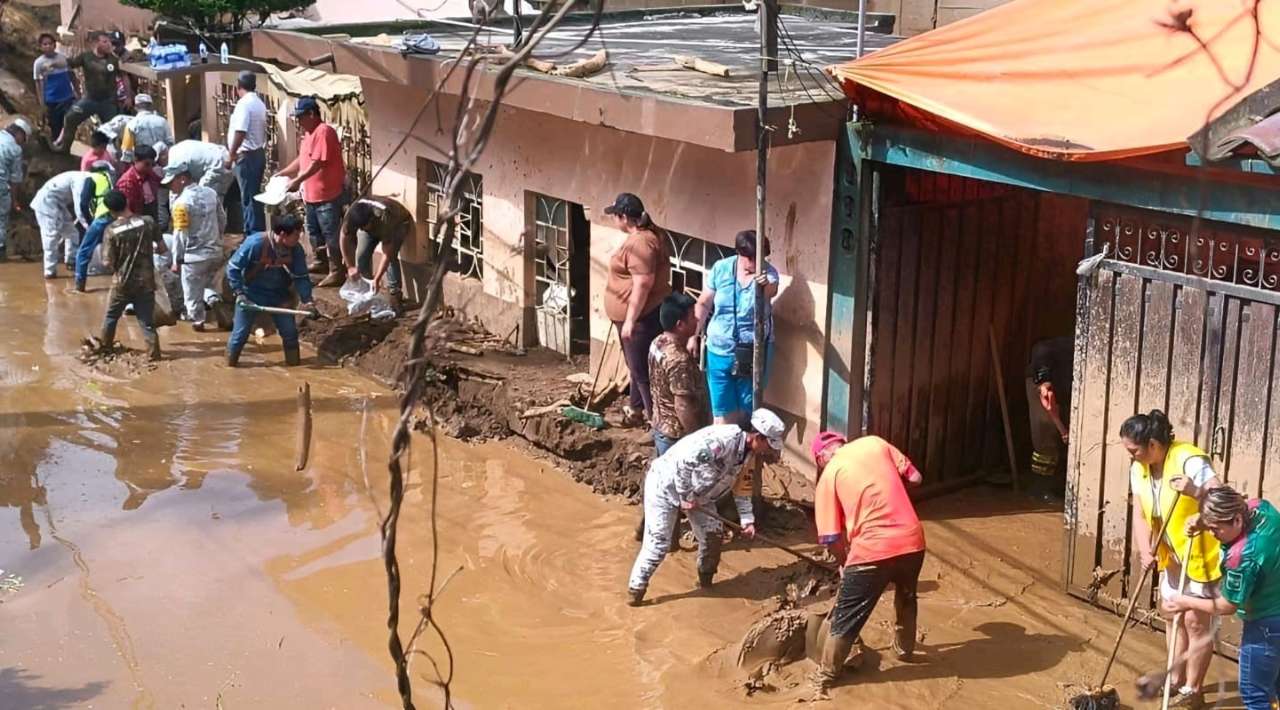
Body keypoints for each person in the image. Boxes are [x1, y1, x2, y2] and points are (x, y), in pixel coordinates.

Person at [626, 408, 784, 607]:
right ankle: (636, 591)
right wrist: (685, 496)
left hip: (700, 495)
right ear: (758, 437)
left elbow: (742, 489)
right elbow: (684, 464)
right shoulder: (721, 441)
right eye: (769, 445)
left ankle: (706, 584)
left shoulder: (748, 456)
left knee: (713, 536)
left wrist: (747, 520)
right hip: (665, 485)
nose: (770, 451)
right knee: (658, 545)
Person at [808, 432, 926, 698]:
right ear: (842, 443)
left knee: (846, 616)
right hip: (912, 540)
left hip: (871, 550)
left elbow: (831, 537)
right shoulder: (874, 443)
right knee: (906, 596)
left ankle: (825, 676)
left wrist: (844, 564)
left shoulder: (829, 476)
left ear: (821, 458)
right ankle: (905, 651)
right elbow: (916, 478)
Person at [1122, 409, 1221, 709]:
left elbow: (1221, 499)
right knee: (1172, 615)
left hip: (1202, 551)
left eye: (1134, 450)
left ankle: (1193, 691)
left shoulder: (1189, 460)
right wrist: (1145, 549)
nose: (1131, 456)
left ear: (1153, 444)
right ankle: (1174, 679)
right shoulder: (1139, 468)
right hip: (1172, 554)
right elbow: (1140, 513)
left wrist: (1194, 490)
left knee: (1195, 622)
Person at [1166, 487, 1280, 710]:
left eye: (1216, 528)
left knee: (1254, 694)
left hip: (1267, 623)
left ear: (1237, 520)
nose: (1212, 534)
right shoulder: (1261, 508)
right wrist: (1203, 521)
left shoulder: (1242, 558)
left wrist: (1185, 601)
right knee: (1274, 683)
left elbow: (1226, 605)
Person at [692, 229, 779, 425]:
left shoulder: (768, 274)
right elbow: (704, 303)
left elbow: (772, 290)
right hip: (719, 349)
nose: (756, 263)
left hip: (751, 351)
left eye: (761, 258)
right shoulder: (721, 268)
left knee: (746, 410)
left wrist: (764, 285)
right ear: (740, 253)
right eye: (751, 258)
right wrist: (693, 334)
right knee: (722, 412)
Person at [603, 192, 672, 427]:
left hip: (642, 318)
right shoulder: (644, 237)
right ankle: (635, 410)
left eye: (615, 215)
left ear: (624, 217)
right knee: (636, 368)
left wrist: (630, 320)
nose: (614, 220)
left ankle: (657, 426)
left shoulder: (640, 243)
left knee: (642, 373)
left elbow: (643, 283)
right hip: (639, 316)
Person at [225, 214, 320, 367]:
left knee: (290, 333)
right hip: (250, 294)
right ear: (282, 234)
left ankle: (294, 365)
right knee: (239, 336)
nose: (298, 239)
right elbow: (233, 268)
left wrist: (308, 301)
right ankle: (230, 364)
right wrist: (240, 293)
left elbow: (301, 277)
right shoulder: (255, 243)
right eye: (296, 235)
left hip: (280, 296)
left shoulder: (296, 250)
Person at [275, 96, 346, 280]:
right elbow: (303, 159)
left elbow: (318, 163)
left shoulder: (324, 132)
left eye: (301, 117)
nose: (298, 122)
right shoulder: (308, 134)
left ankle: (337, 270)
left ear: (312, 114)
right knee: (314, 233)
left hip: (327, 195)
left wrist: (297, 180)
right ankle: (320, 262)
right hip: (311, 195)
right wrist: (285, 172)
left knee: (330, 234)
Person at [97, 190, 165, 360]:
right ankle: (154, 354)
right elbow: (162, 248)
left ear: (110, 211)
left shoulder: (111, 231)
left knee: (111, 317)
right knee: (146, 322)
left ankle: (105, 350)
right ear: (126, 202)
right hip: (146, 282)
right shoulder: (148, 222)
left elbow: (107, 262)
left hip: (122, 283)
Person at [648, 292, 709, 456]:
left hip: (660, 425)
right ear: (680, 325)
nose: (697, 319)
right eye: (692, 316)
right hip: (676, 437)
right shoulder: (679, 360)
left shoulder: (658, 342)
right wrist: (697, 439)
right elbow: (682, 406)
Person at [164, 167, 223, 331]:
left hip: (194, 256)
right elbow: (222, 218)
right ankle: (214, 300)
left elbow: (180, 233)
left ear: (182, 179)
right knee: (208, 283)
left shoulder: (181, 203)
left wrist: (177, 259)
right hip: (215, 252)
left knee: (192, 292)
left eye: (171, 183)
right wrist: (218, 240)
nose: (170, 187)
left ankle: (198, 321)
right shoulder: (211, 193)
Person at [54, 31, 129, 152]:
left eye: (109, 42)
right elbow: (70, 64)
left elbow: (124, 77)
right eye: (105, 42)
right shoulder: (86, 57)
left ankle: (118, 156)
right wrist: (54, 62)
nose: (109, 44)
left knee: (114, 130)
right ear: (95, 43)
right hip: (89, 100)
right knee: (70, 118)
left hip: (108, 102)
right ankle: (65, 148)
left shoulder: (114, 60)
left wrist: (129, 96)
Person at [1025, 336, 1073, 501]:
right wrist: (1063, 431)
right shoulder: (1056, 349)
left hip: (1061, 389)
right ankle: (1040, 488)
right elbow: (1050, 408)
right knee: (1045, 435)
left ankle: (1056, 486)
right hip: (1044, 386)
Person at [339, 196, 410, 301]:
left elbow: (387, 253)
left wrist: (377, 279)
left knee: (392, 258)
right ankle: (366, 291)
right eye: (360, 227)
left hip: (398, 223)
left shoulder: (385, 217)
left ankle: (395, 293)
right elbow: (343, 236)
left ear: (371, 219)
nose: (362, 229)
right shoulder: (352, 214)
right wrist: (350, 267)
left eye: (364, 226)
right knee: (361, 256)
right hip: (373, 224)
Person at [158, 139, 234, 231]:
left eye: (158, 162)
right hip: (223, 159)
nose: (159, 166)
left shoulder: (174, 160)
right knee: (210, 202)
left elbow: (175, 193)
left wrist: (175, 215)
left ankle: (209, 233)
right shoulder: (176, 149)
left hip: (216, 166)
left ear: (163, 155)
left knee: (203, 201)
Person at [31, 169, 94, 278]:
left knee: (72, 233)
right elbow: (79, 208)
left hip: (58, 203)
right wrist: (90, 228)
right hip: (46, 203)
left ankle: (71, 261)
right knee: (51, 236)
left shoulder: (86, 178)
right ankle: (49, 271)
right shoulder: (81, 181)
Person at [227, 71, 268, 235]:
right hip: (257, 154)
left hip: (246, 156)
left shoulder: (244, 104)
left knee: (249, 199)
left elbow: (241, 131)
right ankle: (257, 235)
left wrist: (231, 154)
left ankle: (253, 235)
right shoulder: (259, 103)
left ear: (238, 86)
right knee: (254, 198)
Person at [72, 160, 116, 290]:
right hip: (114, 217)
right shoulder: (110, 178)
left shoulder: (91, 178)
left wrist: (89, 221)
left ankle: (79, 286)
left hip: (102, 218)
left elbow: (83, 203)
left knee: (83, 252)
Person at [32, 33, 78, 144]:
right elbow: (38, 83)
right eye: (45, 44)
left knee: (69, 125)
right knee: (55, 126)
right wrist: (42, 103)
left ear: (55, 45)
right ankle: (57, 148)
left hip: (67, 98)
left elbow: (72, 76)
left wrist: (77, 92)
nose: (48, 46)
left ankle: (68, 146)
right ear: (40, 46)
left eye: (50, 43)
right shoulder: (38, 63)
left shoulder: (63, 58)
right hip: (52, 101)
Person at [0, 118, 30, 261]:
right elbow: (15, 179)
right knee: (1, 219)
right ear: (19, 133)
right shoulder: (15, 149)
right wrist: (15, 201)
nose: (22, 142)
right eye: (24, 139)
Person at [120, 93, 173, 164]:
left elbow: (127, 150)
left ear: (135, 107)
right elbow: (170, 143)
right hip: (161, 163)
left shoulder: (131, 124)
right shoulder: (163, 121)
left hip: (142, 164)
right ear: (151, 106)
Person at [114, 145, 161, 221]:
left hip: (152, 211)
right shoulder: (127, 182)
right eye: (147, 164)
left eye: (152, 165)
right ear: (136, 160)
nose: (150, 168)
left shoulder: (150, 174)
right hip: (136, 218)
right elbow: (127, 208)